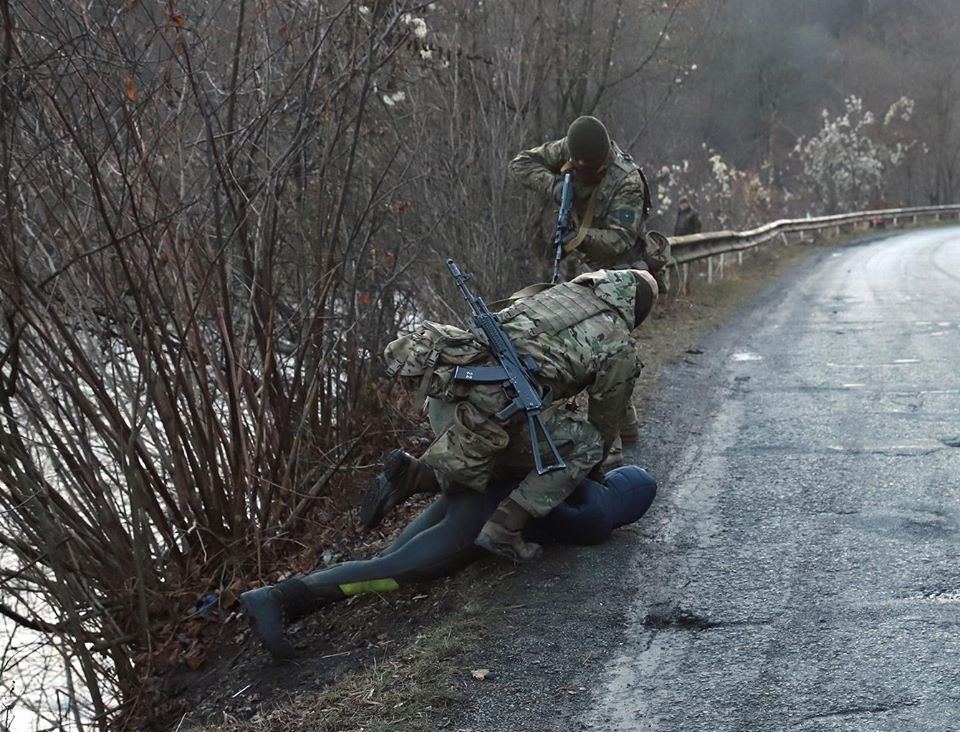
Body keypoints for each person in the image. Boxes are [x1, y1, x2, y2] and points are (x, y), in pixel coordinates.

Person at [360, 267, 659, 562]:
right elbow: (605, 425)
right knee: (588, 444)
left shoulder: (559, 294)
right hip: (493, 416)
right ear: (638, 309)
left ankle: (414, 474)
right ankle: (506, 527)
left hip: (448, 396)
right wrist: (588, 475)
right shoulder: (620, 344)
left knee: (517, 425)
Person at [241, 465, 657, 659]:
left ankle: (295, 603)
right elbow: (562, 520)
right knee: (393, 575)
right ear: (633, 508)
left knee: (386, 561)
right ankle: (276, 598)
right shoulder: (602, 514)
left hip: (467, 492)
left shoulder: (581, 474)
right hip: (476, 520)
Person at [509, 117, 665, 460]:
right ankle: (627, 426)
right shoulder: (571, 147)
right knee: (600, 347)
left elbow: (620, 239)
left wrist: (576, 239)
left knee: (606, 346)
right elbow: (521, 164)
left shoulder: (626, 180)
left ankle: (611, 442)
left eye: (588, 167)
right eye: (576, 164)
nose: (581, 169)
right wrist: (554, 186)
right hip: (589, 272)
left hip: (626, 273)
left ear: (603, 159)